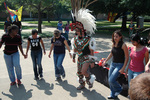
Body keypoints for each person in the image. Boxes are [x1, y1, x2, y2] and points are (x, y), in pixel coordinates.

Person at [70, 6, 97, 89]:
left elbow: (92, 51)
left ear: (82, 30)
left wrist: (92, 62)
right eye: (76, 31)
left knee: (83, 71)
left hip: (87, 57)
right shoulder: (75, 38)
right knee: (79, 73)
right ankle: (82, 84)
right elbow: (74, 48)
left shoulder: (89, 39)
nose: (76, 32)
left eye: (77, 30)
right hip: (79, 58)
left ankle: (90, 79)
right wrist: (74, 56)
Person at [102, 30, 129, 99]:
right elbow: (111, 53)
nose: (115, 38)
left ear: (120, 37)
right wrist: (105, 60)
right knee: (109, 80)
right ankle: (113, 94)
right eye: (114, 36)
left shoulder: (123, 45)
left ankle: (119, 89)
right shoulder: (114, 44)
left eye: (116, 36)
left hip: (119, 65)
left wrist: (123, 68)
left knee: (111, 80)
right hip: (113, 64)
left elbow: (127, 57)